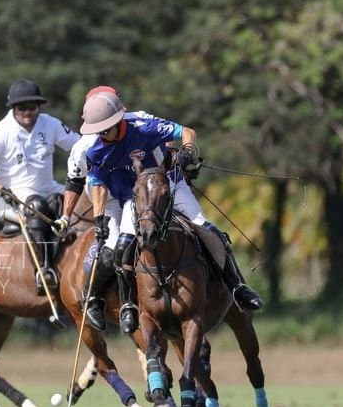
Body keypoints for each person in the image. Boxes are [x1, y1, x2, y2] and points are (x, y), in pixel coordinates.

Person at [78, 87, 263, 335]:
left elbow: (186, 131)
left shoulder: (143, 126)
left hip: (170, 184)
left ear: (118, 121)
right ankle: (128, 306)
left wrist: (186, 153)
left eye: (104, 130)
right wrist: (99, 217)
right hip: (136, 197)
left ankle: (237, 287)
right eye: (97, 131)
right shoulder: (96, 149)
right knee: (121, 247)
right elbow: (97, 182)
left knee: (208, 230)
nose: (101, 136)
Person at [0, 79, 80, 295]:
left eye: (33, 107)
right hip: (13, 196)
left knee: (73, 203)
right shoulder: (0, 132)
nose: (28, 112)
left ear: (39, 107)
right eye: (22, 108)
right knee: (37, 206)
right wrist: (0, 187)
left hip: (49, 188)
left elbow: (79, 146)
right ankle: (44, 272)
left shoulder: (50, 124)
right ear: (13, 108)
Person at [54, 85, 126, 330]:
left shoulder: (136, 125)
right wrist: (65, 216)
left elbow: (163, 136)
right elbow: (74, 182)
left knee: (194, 227)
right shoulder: (84, 147)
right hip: (108, 200)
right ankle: (91, 296)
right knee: (115, 245)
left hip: (142, 195)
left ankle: (231, 287)